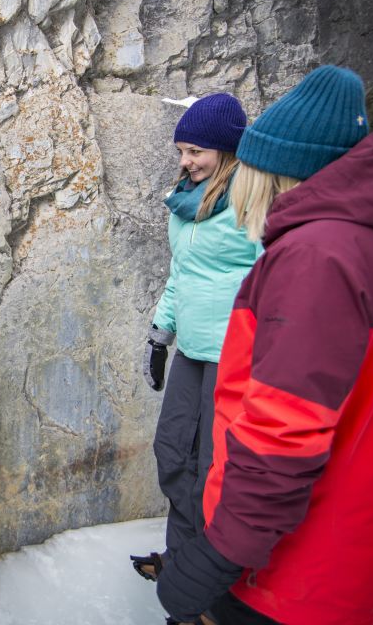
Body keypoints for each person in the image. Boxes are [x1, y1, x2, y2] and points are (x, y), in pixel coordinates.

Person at [155, 65, 373, 625]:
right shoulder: (356, 243)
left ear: (270, 170)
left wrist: (215, 560)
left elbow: (281, 437)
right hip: (334, 560)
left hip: (294, 577)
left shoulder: (318, 257)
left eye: (244, 164)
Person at [131, 94, 261, 589]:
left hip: (237, 354)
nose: (185, 161)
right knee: (172, 452)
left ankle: (210, 576)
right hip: (192, 350)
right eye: (181, 151)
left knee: (213, 467)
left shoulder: (256, 201)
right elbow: (181, 272)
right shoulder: (184, 200)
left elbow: (277, 273)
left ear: (226, 150)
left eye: (195, 151)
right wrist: (161, 332)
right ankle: (183, 555)